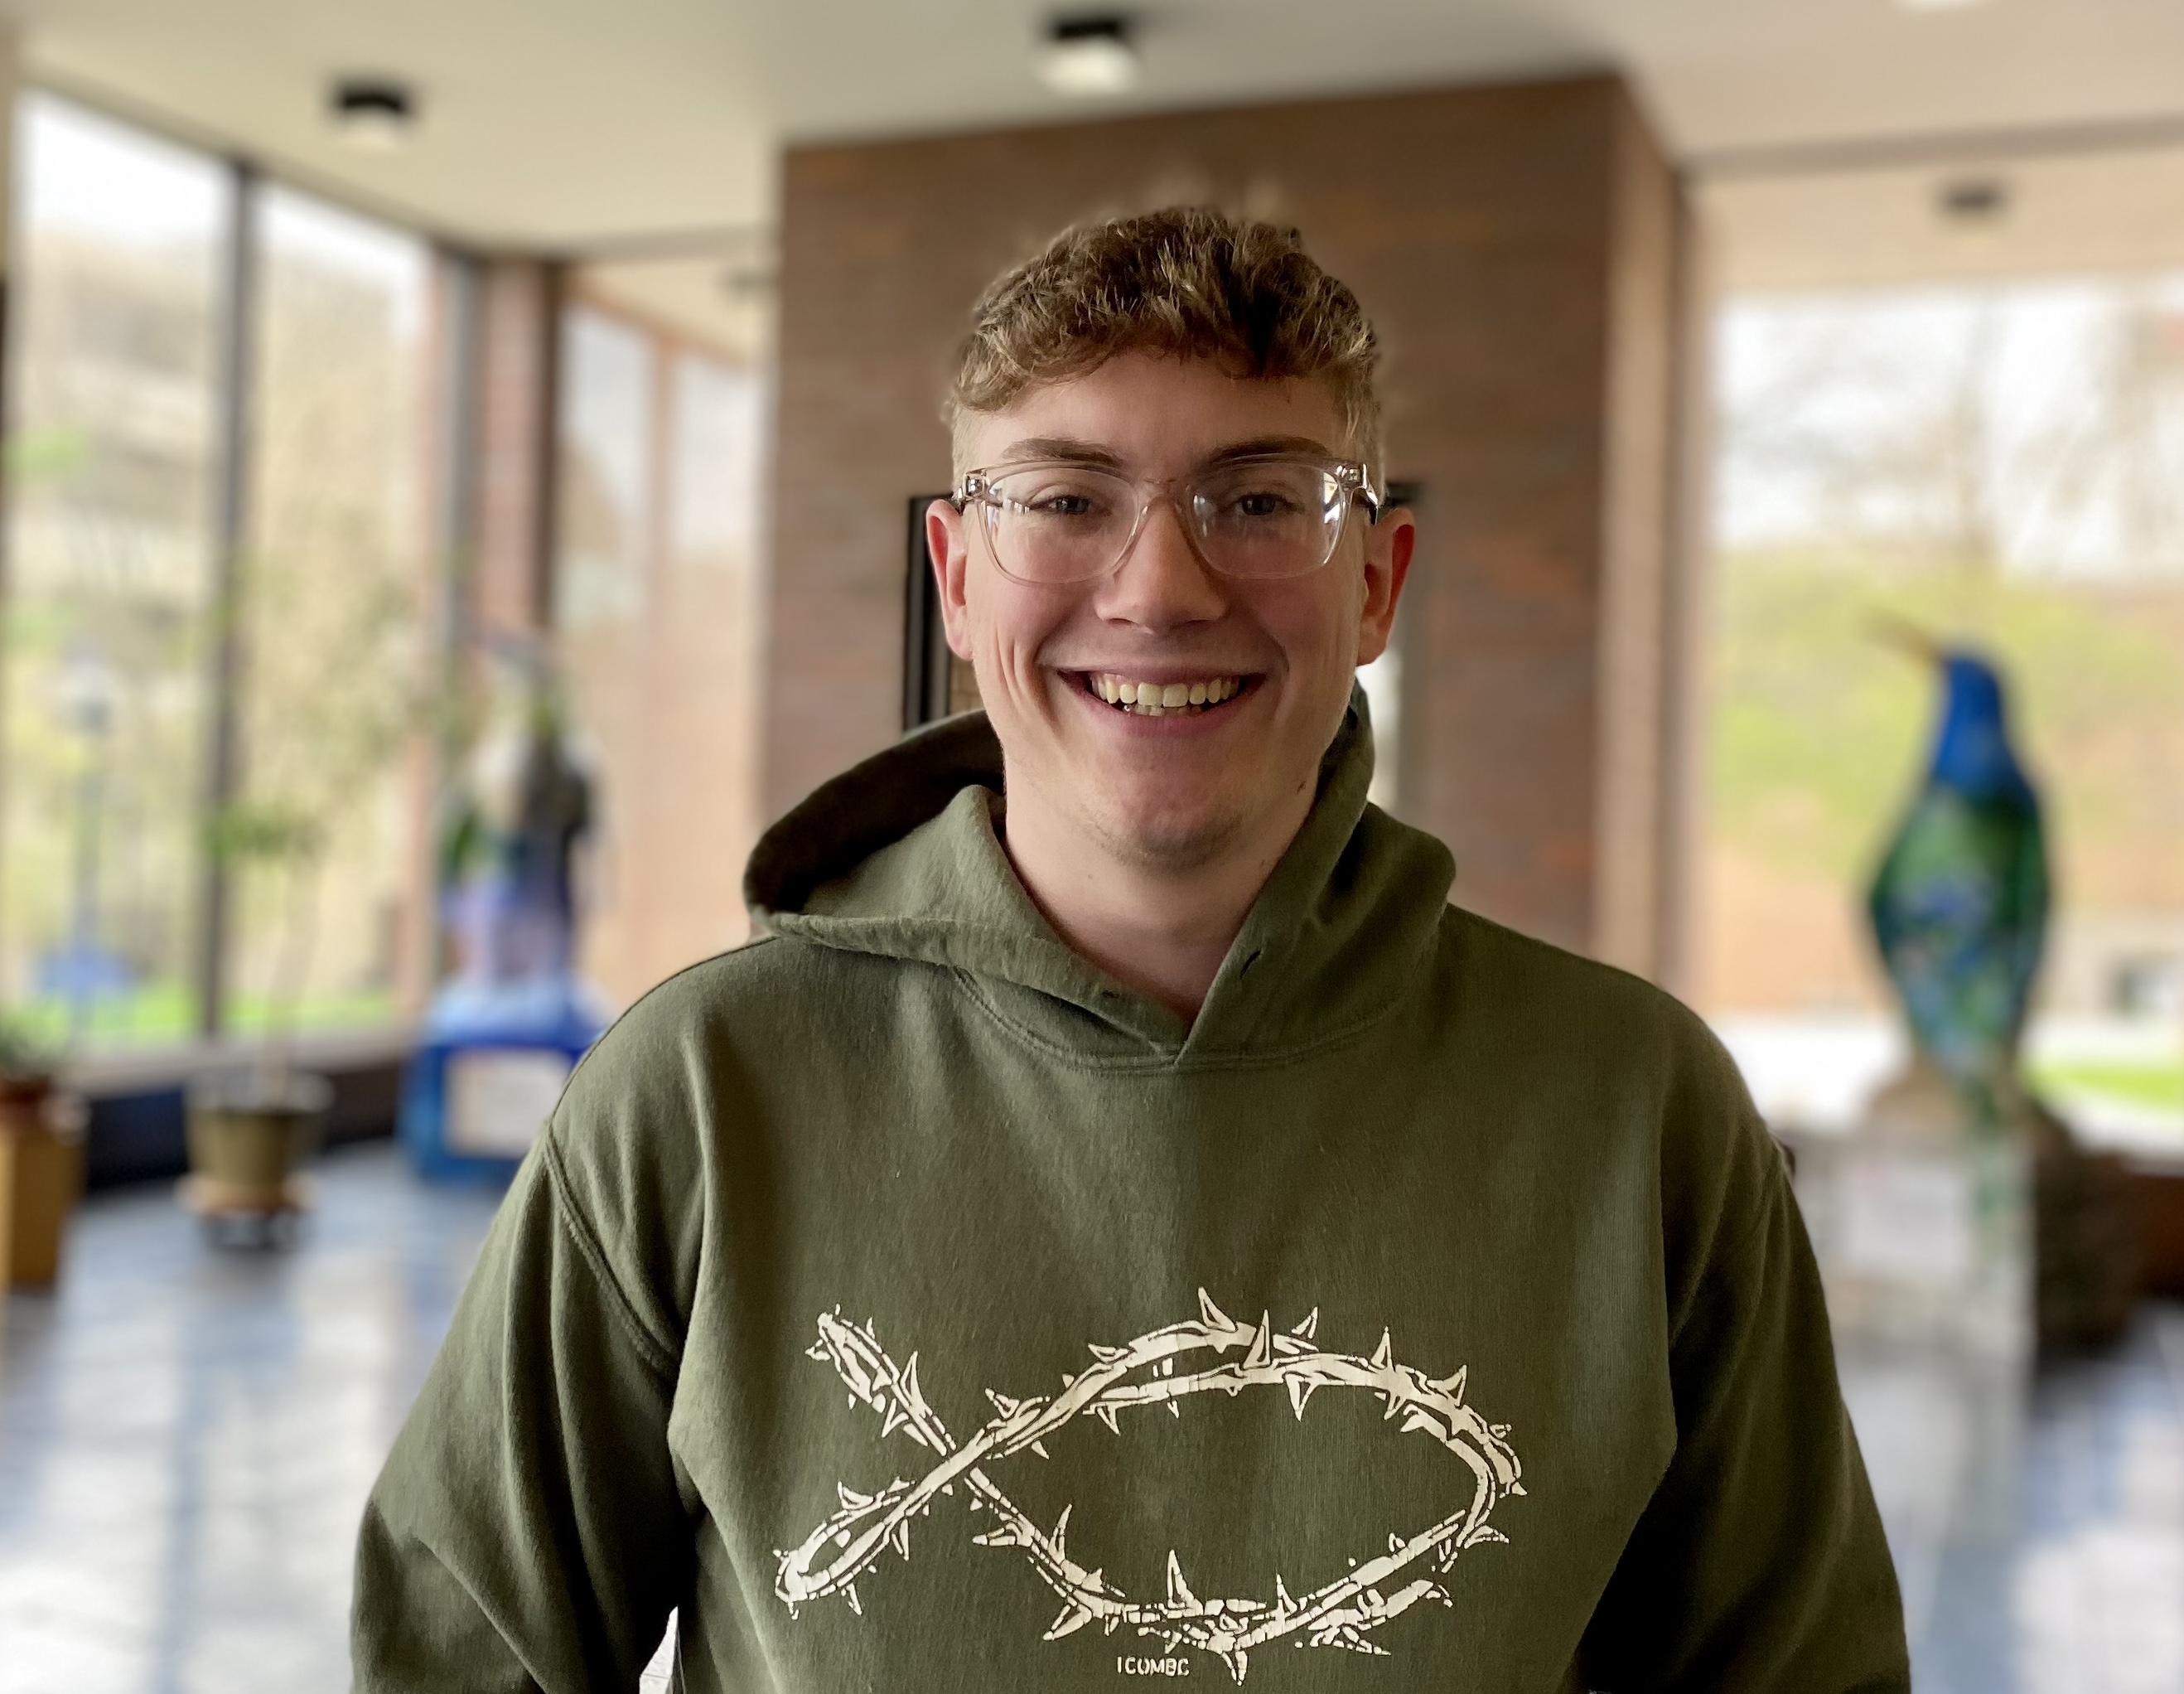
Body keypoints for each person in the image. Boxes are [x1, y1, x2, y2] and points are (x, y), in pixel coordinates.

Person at [353, 208, 1909, 1692]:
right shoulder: (695, 1101)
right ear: (958, 578)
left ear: (1376, 582)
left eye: (1261, 498)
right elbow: (456, 1655)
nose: (1161, 587)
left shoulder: (1637, 1117)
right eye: (1067, 498)